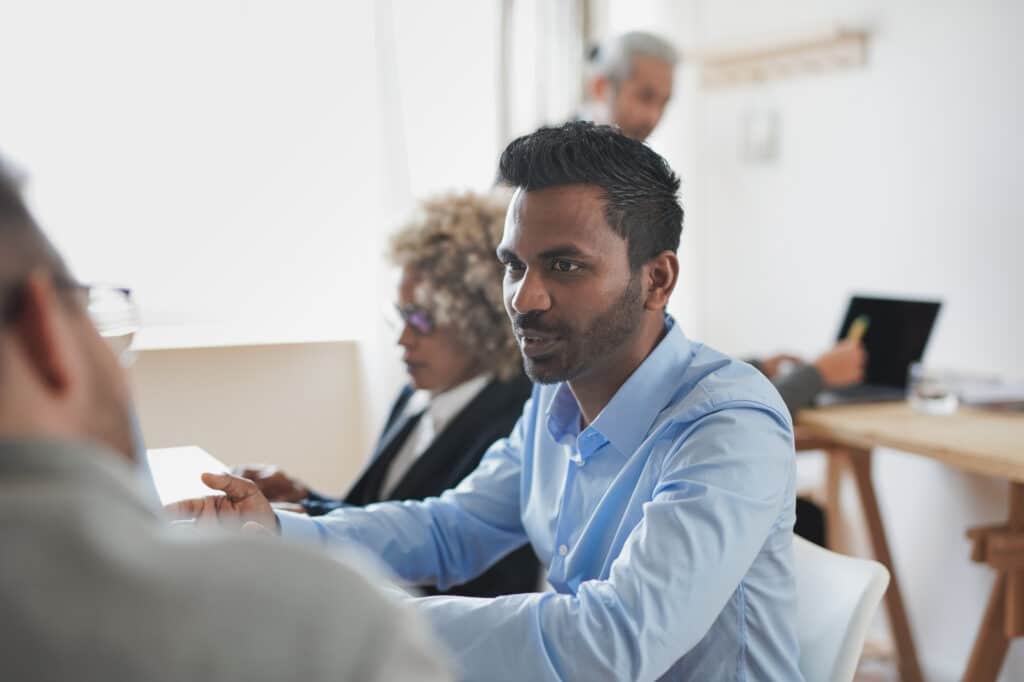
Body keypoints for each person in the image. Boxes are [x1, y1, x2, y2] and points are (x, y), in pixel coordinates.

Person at [169, 122, 803, 681]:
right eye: (514, 266)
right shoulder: (553, 400)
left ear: (656, 279)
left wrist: (352, 615)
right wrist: (278, 530)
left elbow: (609, 646)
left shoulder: (727, 426)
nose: (525, 298)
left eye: (565, 266)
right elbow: (452, 529)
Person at [0, 163, 450, 681]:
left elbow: (448, 531)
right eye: (88, 307)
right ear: (43, 329)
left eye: (418, 319)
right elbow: (436, 525)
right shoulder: (319, 627)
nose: (402, 340)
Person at [237, 191, 539, 597]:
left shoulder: (514, 420)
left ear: (479, 323)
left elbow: (457, 560)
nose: (402, 338)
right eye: (400, 314)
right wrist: (304, 500)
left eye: (421, 319)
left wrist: (301, 519)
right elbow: (387, 520)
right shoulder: (416, 397)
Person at [579, 31, 678, 142]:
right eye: (645, 97)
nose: (653, 118)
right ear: (601, 88)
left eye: (664, 103)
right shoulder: (559, 155)